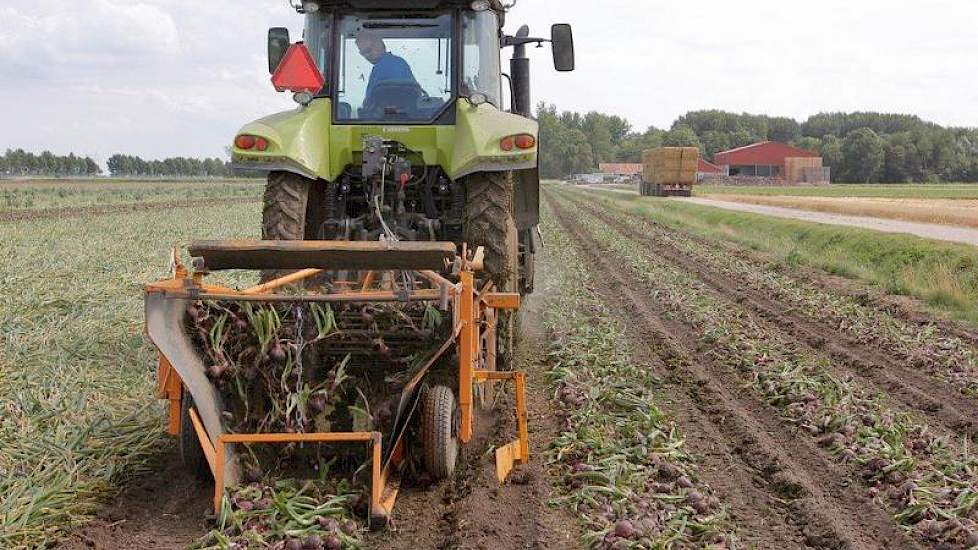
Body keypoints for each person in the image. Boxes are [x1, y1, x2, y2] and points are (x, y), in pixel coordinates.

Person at [355, 31, 418, 106]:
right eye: (363, 53)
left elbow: (372, 104)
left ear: (379, 44)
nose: (367, 56)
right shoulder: (398, 62)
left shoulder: (385, 66)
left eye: (368, 50)